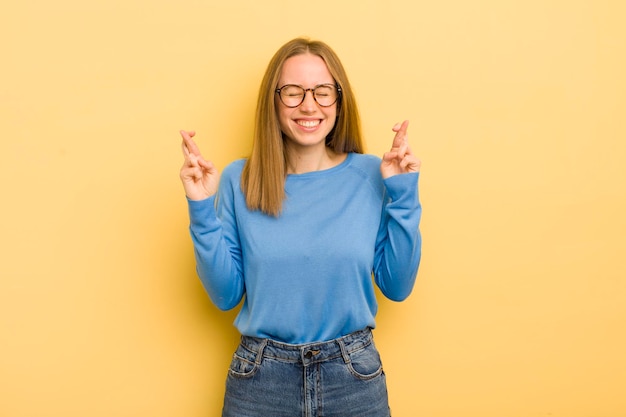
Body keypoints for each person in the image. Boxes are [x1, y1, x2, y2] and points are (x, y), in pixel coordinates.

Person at [179, 37, 422, 417]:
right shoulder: (237, 179)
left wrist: (403, 193)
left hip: (352, 379)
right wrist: (200, 208)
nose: (309, 105)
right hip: (260, 383)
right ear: (273, 102)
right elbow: (225, 296)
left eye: (323, 92)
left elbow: (398, 286)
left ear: (339, 100)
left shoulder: (371, 175)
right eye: (293, 92)